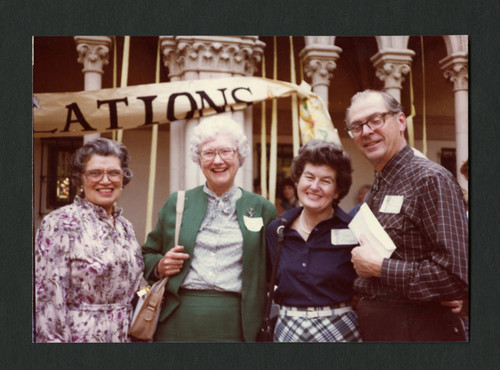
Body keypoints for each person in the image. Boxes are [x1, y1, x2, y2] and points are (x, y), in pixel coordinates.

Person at [345, 90, 468, 341]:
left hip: (419, 328)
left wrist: (380, 268)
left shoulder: (431, 179)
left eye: (376, 119)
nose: (366, 131)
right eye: (357, 126)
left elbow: (454, 276)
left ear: (401, 121)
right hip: (381, 325)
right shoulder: (377, 190)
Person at [142, 115, 277, 342]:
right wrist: (160, 265)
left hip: (239, 322)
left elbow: (274, 268)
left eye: (226, 151)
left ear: (239, 155)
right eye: (208, 153)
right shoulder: (178, 203)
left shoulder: (262, 208)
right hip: (179, 319)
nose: (218, 160)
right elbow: (147, 254)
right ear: (199, 158)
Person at [34, 138, 144, 342]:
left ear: (123, 178)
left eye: (113, 173)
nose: (105, 180)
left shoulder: (125, 227)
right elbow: (49, 302)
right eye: (95, 173)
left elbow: (132, 290)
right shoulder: (60, 223)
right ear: (80, 178)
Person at [265, 140, 362, 342]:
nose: (314, 186)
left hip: (340, 329)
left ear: (337, 190)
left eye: (326, 181)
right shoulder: (277, 231)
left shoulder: (354, 230)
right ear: (297, 181)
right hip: (288, 330)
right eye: (308, 177)